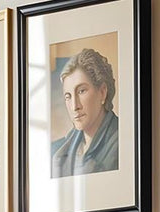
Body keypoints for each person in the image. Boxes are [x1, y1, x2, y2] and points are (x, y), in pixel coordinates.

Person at [51, 48, 119, 177]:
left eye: (81, 91)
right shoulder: (58, 151)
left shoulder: (123, 142)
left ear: (102, 92)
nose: (75, 106)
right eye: (68, 96)